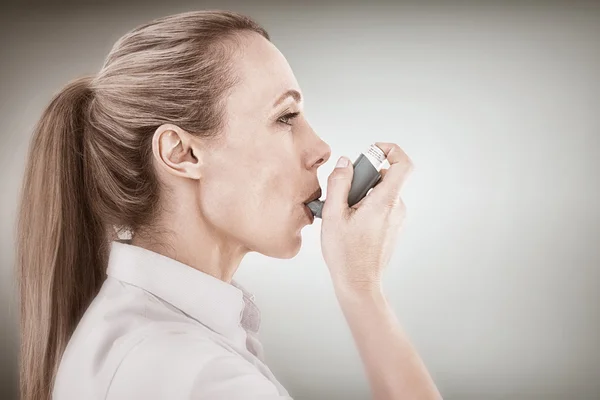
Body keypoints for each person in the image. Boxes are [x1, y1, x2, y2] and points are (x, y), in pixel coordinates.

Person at [16, 10, 441, 400]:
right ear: (182, 153)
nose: (321, 149)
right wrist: (362, 291)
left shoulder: (137, 333)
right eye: (285, 117)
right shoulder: (197, 376)